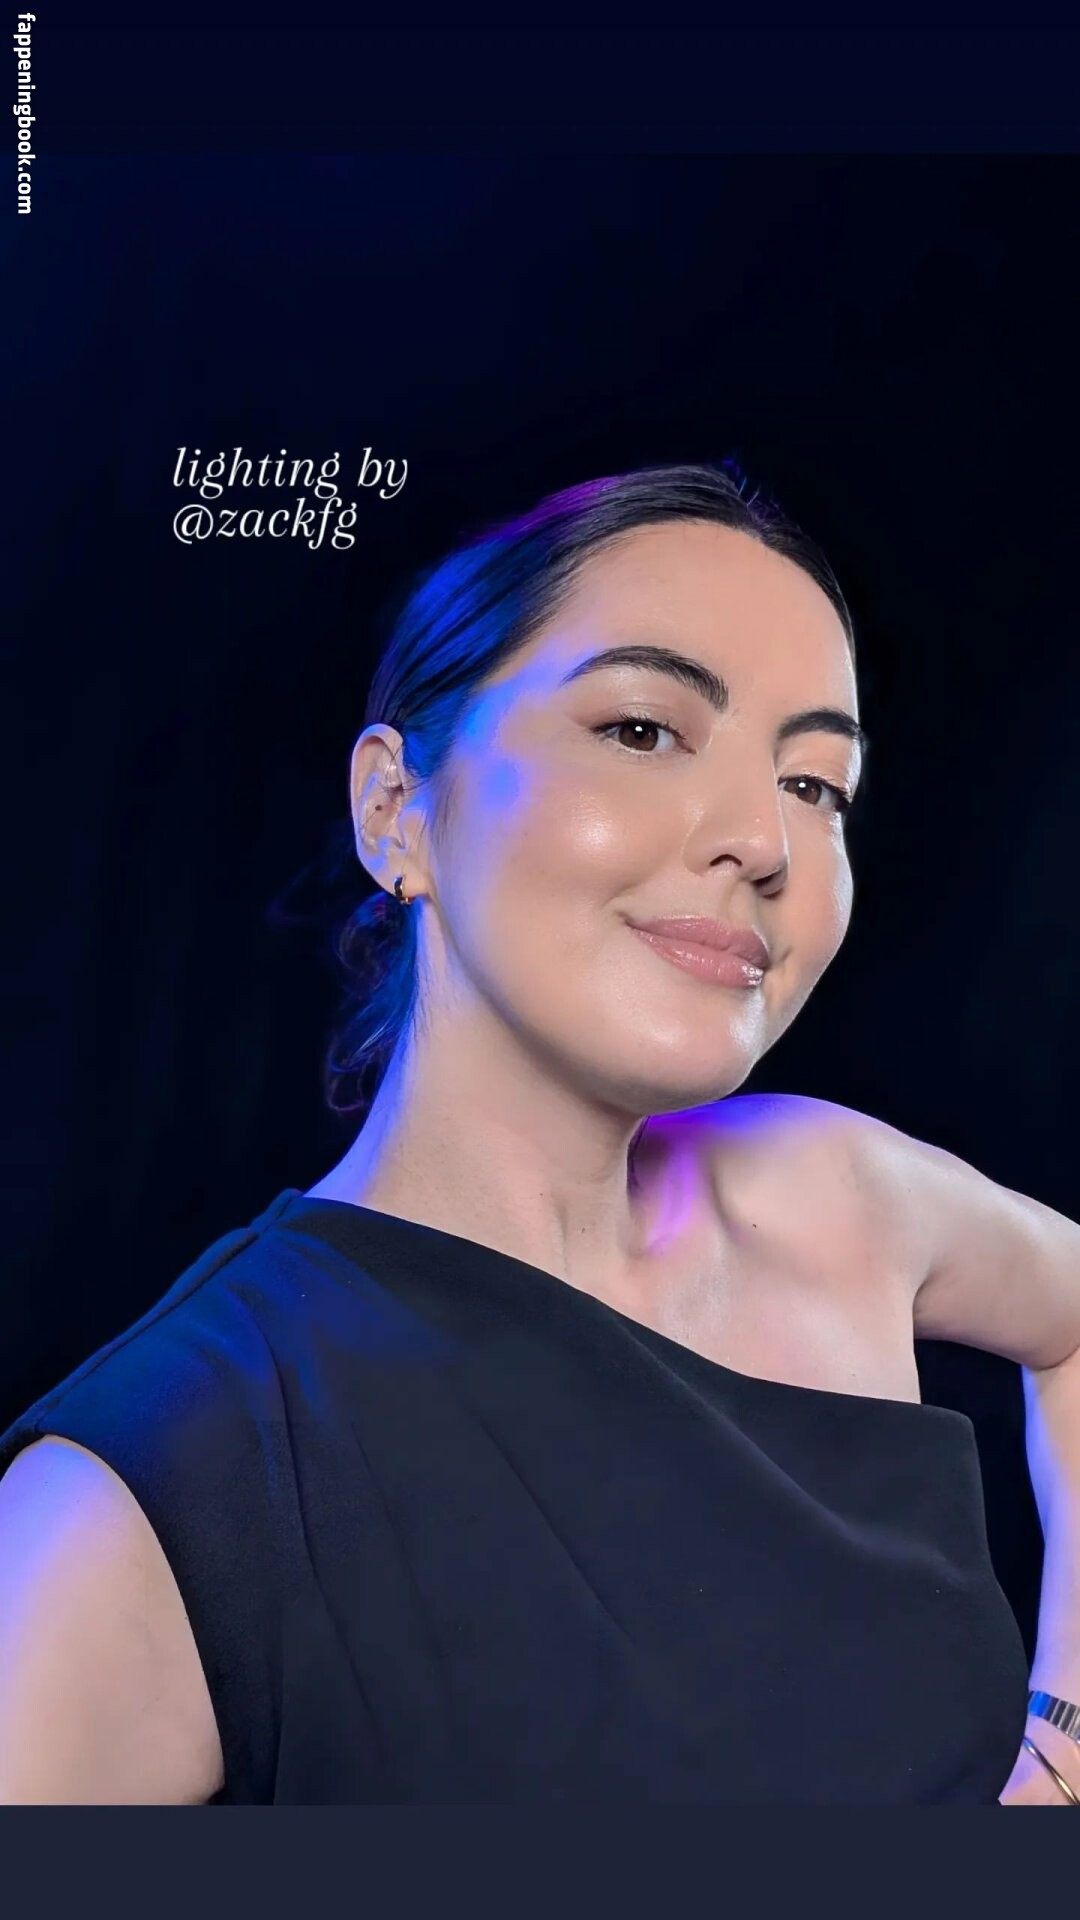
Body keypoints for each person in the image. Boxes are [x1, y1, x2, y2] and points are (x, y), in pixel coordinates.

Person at [0, 462, 1071, 1804]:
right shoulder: (152, 1488)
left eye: (818, 784)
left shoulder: (832, 1197)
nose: (765, 840)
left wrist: (1061, 1759)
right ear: (396, 808)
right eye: (643, 728)